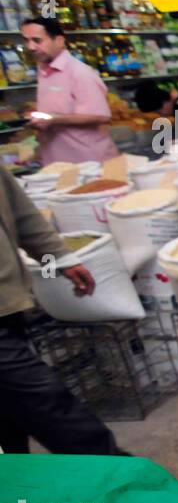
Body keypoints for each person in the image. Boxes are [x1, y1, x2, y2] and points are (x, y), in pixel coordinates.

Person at [0, 168, 123, 454]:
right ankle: (118, 475)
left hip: (8, 303)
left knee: (8, 412)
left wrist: (57, 257)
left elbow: (19, 212)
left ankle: (16, 482)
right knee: (43, 399)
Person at [20, 18, 118, 165]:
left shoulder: (79, 72)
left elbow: (100, 116)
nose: (31, 47)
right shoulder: (44, 71)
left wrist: (54, 120)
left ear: (59, 41)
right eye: (26, 41)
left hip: (90, 164)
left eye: (37, 40)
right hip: (59, 163)